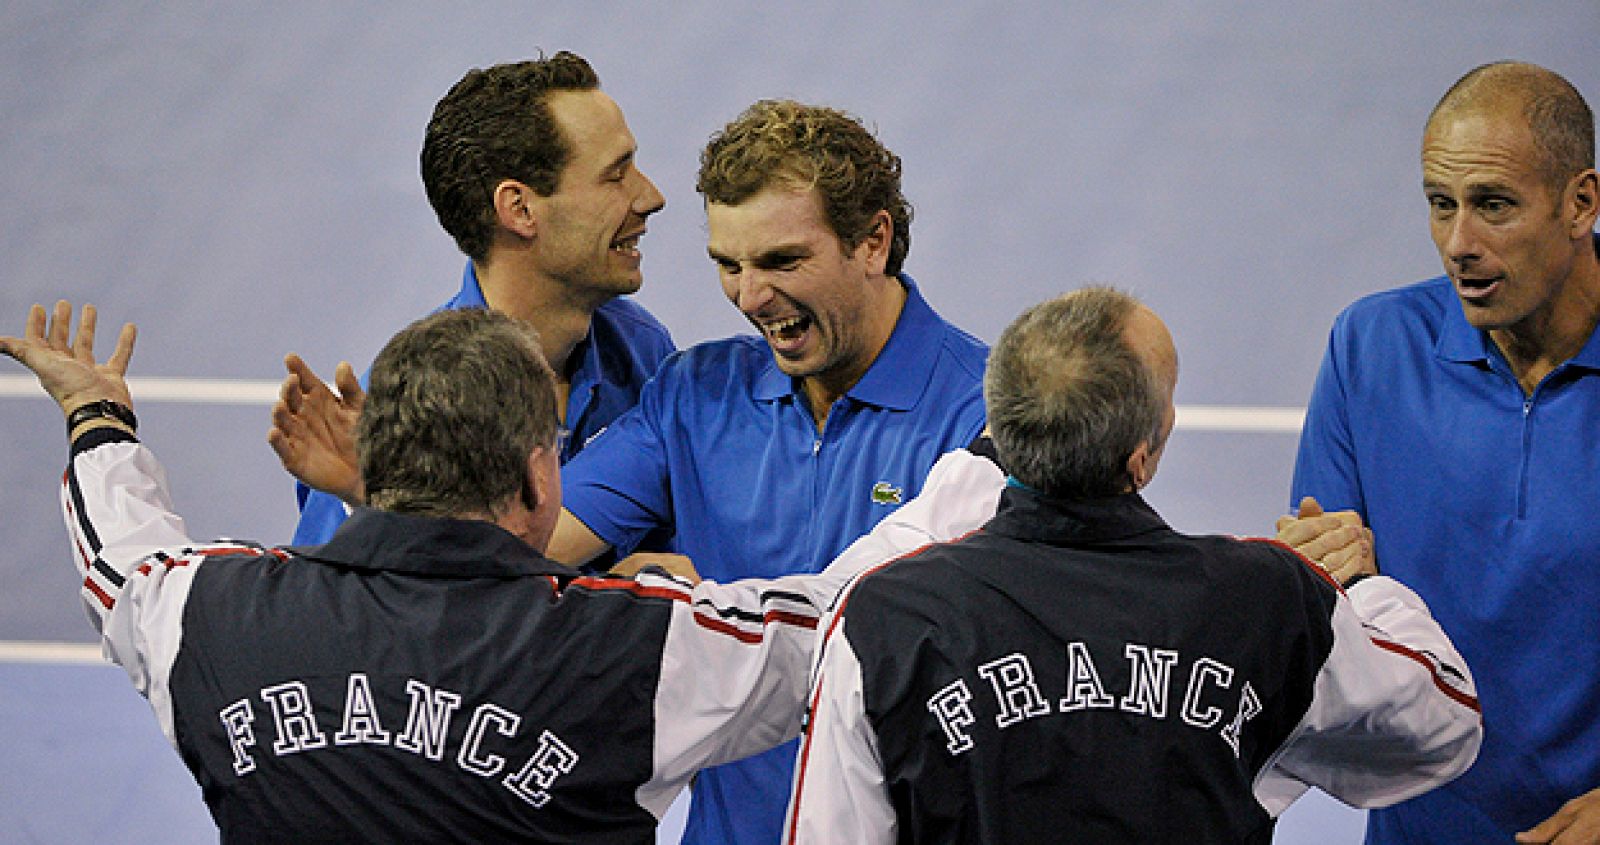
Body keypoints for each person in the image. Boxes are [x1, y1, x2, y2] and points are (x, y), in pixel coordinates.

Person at [1, 301, 1001, 843]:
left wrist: (98, 416)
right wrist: (989, 465)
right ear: (537, 472)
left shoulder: (207, 610)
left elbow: (120, 554)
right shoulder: (632, 649)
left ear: (374, 462)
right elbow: (838, 614)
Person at [785, 288, 1484, 844]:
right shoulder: (1267, 602)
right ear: (1141, 458)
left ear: (1002, 423)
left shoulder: (883, 620)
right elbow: (1443, 718)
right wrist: (1356, 585)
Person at [546, 99, 989, 843]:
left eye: (783, 261)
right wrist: (605, 597)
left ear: (874, 240)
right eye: (729, 264)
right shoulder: (691, 397)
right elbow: (513, 551)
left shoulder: (984, 419)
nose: (750, 297)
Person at [1281, 61, 1600, 845]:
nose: (1460, 244)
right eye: (1440, 204)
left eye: (1494, 206)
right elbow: (1327, 622)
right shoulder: (1370, 347)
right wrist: (1307, 573)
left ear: (1580, 203)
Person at [284, 51, 675, 548]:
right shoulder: (398, 416)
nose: (650, 197)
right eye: (615, 175)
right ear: (520, 208)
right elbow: (355, 608)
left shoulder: (643, 350)